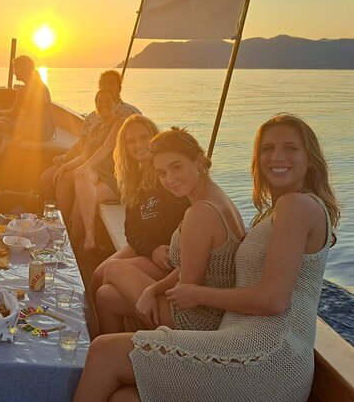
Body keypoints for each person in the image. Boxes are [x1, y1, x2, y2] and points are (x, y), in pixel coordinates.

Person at [74, 114, 340, 402]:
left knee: (104, 352)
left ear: (310, 158)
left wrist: (199, 294)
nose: (277, 156)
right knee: (123, 398)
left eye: (290, 148)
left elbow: (273, 300)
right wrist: (157, 288)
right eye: (267, 149)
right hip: (245, 342)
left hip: (268, 358)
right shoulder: (275, 211)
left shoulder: (295, 205)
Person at [95, 127, 245, 334]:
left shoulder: (200, 213)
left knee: (113, 268)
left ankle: (134, 347)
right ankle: (122, 352)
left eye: (176, 167)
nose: (169, 179)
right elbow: (187, 270)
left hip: (198, 321)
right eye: (162, 173)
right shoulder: (217, 197)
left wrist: (152, 293)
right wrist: (151, 290)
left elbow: (186, 292)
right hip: (214, 311)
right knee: (105, 296)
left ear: (199, 162)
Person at [90, 115, 190, 323]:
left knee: (108, 280)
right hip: (149, 247)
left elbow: (182, 226)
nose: (138, 145)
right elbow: (131, 229)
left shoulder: (168, 176)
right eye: (131, 141)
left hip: (169, 255)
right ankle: (99, 335)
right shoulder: (134, 177)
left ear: (155, 137)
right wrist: (150, 248)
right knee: (97, 276)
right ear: (124, 147)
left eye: (144, 138)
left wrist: (157, 250)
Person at [40, 70, 138, 221]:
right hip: (87, 160)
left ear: (119, 87)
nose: (107, 86)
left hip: (108, 168)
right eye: (104, 83)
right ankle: (56, 219)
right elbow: (82, 143)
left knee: (66, 178)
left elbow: (133, 145)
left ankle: (66, 223)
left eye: (111, 83)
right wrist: (66, 157)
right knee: (47, 177)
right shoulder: (93, 117)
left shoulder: (130, 114)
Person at [70, 71, 142, 250]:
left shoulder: (121, 122)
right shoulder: (95, 127)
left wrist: (85, 165)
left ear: (115, 103)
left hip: (118, 177)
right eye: (99, 102)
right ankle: (78, 239)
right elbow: (85, 153)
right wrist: (68, 165)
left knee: (84, 197)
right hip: (102, 173)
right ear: (95, 105)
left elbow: (107, 147)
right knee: (82, 180)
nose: (104, 105)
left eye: (107, 101)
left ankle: (83, 237)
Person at [0, 55, 55, 142]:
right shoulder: (42, 85)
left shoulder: (24, 90)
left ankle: (1, 149)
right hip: (48, 132)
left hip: (37, 132)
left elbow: (13, 113)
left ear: (23, 69)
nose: (14, 72)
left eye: (15, 69)